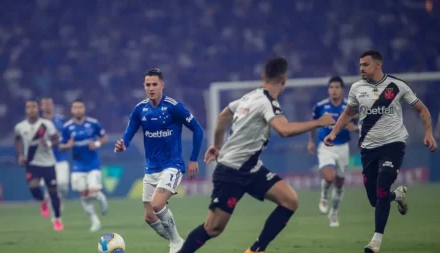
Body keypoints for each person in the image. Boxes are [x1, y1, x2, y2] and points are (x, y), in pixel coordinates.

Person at [177, 57, 335, 253]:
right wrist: (318, 122)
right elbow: (284, 130)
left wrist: (217, 145)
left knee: (290, 200)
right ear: (284, 80)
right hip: (231, 171)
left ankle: (255, 250)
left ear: (263, 77)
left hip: (251, 168)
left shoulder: (250, 97)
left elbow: (223, 115)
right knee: (213, 227)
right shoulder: (267, 102)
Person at [324, 50, 438, 253]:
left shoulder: (397, 86)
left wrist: (428, 133)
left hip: (393, 144)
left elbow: (422, 109)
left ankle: (376, 241)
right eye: (360, 65)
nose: (361, 68)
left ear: (377, 65)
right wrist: (333, 133)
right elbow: (348, 113)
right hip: (368, 148)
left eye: (365, 65)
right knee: (375, 199)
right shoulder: (357, 88)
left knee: (382, 185)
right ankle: (398, 196)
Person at [114, 68, 204, 253]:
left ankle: (177, 243)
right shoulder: (140, 109)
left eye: (155, 84)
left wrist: (193, 159)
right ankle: (178, 241)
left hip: (172, 166)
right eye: (148, 85)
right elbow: (130, 130)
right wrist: (124, 143)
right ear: (144, 86)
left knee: (157, 205)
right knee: (149, 217)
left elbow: (198, 129)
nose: (151, 88)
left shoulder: (174, 107)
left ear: (162, 85)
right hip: (151, 169)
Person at [307, 76, 358, 227]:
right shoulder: (320, 106)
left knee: (340, 184)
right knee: (329, 178)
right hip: (326, 146)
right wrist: (310, 141)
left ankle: (334, 213)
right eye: (331, 87)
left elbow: (358, 126)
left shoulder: (350, 106)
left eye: (337, 87)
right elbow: (313, 124)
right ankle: (323, 196)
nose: (334, 90)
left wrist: (354, 128)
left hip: (343, 147)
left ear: (342, 90)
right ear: (328, 90)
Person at [14, 99, 64, 231]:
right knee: (34, 188)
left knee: (54, 193)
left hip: (48, 163)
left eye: (34, 106)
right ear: (26, 110)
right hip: (32, 163)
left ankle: (57, 220)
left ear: (38, 109)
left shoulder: (46, 124)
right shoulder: (20, 127)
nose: (31, 109)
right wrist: (20, 155)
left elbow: (56, 139)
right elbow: (17, 140)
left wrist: (48, 144)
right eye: (28, 107)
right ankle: (43, 201)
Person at [60, 99, 109, 232]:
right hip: (77, 166)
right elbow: (60, 146)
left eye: (80, 107)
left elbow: (104, 138)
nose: (77, 110)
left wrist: (97, 144)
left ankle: (101, 198)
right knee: (83, 194)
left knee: (92, 191)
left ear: (84, 109)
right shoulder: (67, 127)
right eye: (75, 107)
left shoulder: (93, 123)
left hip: (93, 164)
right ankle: (95, 222)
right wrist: (67, 146)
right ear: (71, 110)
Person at [40, 97, 69, 214]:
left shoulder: (61, 120)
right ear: (41, 107)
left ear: (52, 106)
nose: (47, 106)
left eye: (49, 104)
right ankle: (55, 214)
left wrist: (67, 143)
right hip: (46, 160)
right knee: (51, 186)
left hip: (61, 158)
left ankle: (47, 198)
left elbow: (67, 136)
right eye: (44, 104)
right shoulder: (38, 123)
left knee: (63, 186)